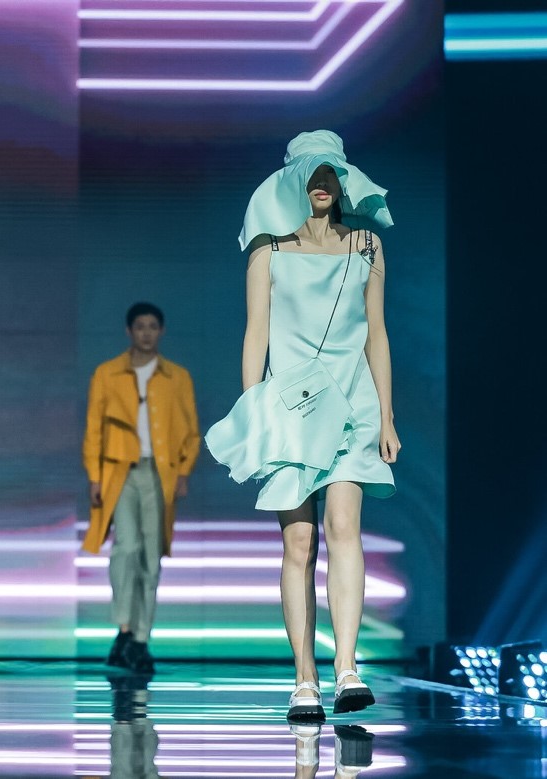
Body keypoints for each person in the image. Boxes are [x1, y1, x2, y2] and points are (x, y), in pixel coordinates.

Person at [205, 129, 400, 722]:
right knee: (298, 542)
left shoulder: (366, 245)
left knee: (344, 527)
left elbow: (377, 334)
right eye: (311, 173)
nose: (321, 184)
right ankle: (304, 679)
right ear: (292, 180)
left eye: (329, 173)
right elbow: (255, 334)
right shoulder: (268, 249)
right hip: (291, 409)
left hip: (353, 404)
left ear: (343, 180)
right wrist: (254, 413)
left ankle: (347, 668)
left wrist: (387, 416)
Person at [82, 302, 201, 673]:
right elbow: (94, 428)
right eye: (140, 326)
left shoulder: (177, 377)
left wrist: (184, 471)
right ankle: (124, 627)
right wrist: (95, 476)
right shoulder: (107, 373)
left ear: (161, 331)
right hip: (120, 472)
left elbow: (191, 431)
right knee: (126, 548)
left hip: (159, 475)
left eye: (152, 326)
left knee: (151, 556)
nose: (146, 333)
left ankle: (139, 638)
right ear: (129, 331)